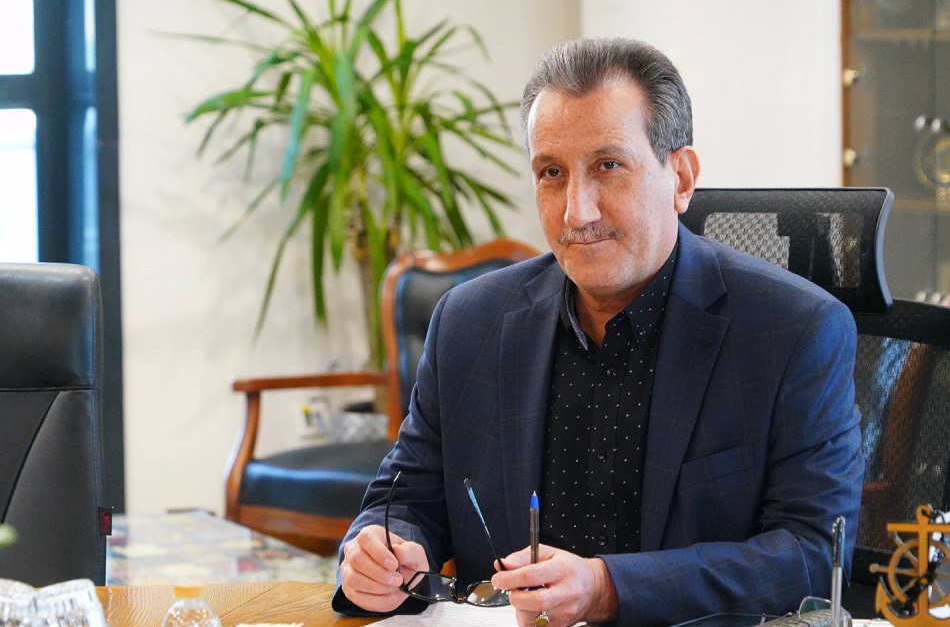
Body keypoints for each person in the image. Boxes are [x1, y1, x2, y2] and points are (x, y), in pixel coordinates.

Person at [333, 37, 863, 627]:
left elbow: (813, 556)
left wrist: (608, 588)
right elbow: (405, 499)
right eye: (551, 173)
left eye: (608, 167)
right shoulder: (469, 321)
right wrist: (382, 554)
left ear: (681, 177)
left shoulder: (794, 331)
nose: (576, 212)